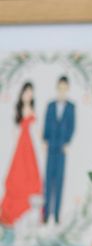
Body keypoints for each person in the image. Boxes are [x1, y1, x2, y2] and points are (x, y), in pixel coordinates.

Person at [0, 81, 42, 227]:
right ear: (22, 94)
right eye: (26, 92)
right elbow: (14, 132)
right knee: (17, 178)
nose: (28, 95)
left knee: (30, 179)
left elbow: (37, 132)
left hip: (29, 149)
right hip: (19, 148)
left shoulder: (33, 111)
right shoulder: (18, 112)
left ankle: (28, 216)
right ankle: (11, 215)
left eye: (30, 92)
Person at [43, 75, 75, 225]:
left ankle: (56, 215)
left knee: (59, 181)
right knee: (48, 180)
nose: (62, 90)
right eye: (60, 87)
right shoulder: (50, 105)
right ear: (57, 88)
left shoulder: (71, 107)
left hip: (62, 148)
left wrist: (67, 142)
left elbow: (71, 126)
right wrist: (45, 139)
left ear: (67, 89)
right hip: (51, 147)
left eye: (65, 88)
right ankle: (45, 213)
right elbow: (46, 123)